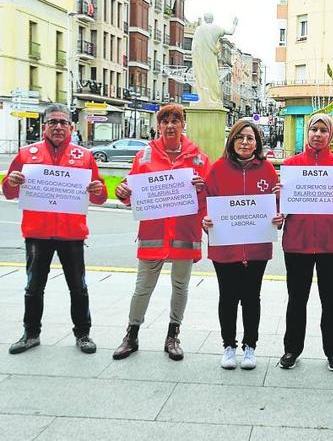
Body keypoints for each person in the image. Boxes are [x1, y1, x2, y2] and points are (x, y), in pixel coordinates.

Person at [2, 104, 107, 354]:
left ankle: (83, 334)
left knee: (78, 287)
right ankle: (31, 334)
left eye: (63, 122)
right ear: (44, 126)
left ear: (71, 127)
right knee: (33, 287)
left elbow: (100, 196)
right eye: (53, 122)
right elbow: (8, 192)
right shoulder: (27, 154)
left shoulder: (84, 156)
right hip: (37, 233)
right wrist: (11, 181)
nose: (58, 127)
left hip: (72, 234)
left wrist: (97, 190)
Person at [112, 104, 210, 361]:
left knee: (180, 286)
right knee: (143, 287)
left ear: (183, 124)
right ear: (158, 126)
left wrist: (203, 189)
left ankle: (173, 335)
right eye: (164, 121)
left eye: (175, 120)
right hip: (153, 234)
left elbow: (209, 201)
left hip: (184, 234)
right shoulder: (144, 156)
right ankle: (131, 334)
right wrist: (122, 193)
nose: (170, 125)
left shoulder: (198, 158)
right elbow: (130, 189)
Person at [202, 119, 283, 370]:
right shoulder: (217, 169)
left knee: (251, 297)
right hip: (225, 247)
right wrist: (205, 220)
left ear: (257, 142)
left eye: (250, 138)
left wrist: (279, 217)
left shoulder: (268, 170)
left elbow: (277, 205)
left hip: (257, 248)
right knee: (227, 297)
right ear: (232, 141)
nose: (245, 142)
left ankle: (250, 346)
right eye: (240, 137)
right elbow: (205, 202)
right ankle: (229, 345)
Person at [278, 113, 333, 372]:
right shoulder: (291, 165)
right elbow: (279, 208)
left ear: (330, 135)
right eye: (314, 129)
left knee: (330, 300)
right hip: (297, 242)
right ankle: (291, 349)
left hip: (331, 244)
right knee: (296, 299)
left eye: (323, 130)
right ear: (307, 132)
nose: (318, 134)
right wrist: (278, 201)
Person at [191, 13, 237, 108]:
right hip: (211, 57)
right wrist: (234, 24)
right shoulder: (217, 28)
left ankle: (204, 98)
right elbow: (231, 32)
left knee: (202, 76)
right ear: (212, 19)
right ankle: (213, 98)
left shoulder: (199, 29)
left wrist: (195, 57)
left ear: (205, 19)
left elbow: (194, 46)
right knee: (213, 76)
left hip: (201, 57)